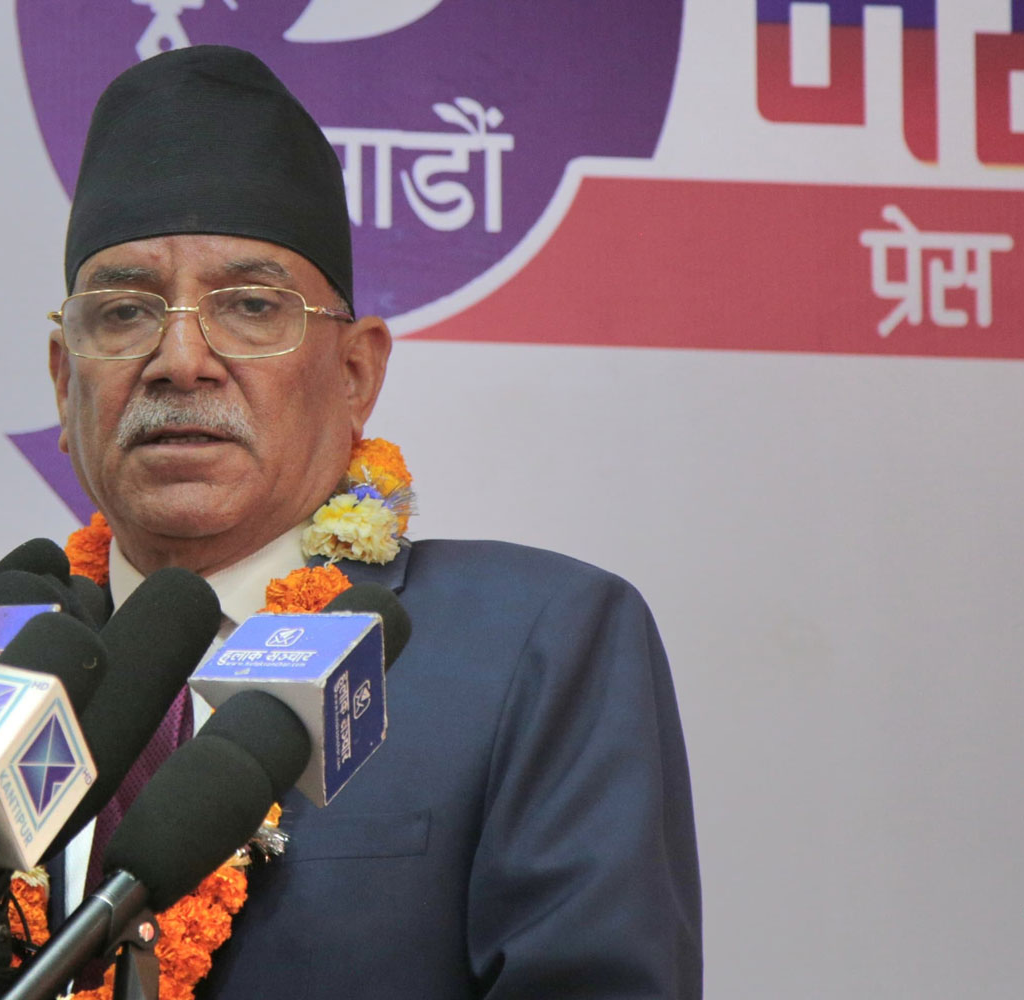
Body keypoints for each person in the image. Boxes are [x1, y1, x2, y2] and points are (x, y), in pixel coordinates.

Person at [43, 45, 701, 999]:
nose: (180, 359)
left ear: (356, 374)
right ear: (63, 381)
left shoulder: (533, 645)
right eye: (122, 313)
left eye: (251, 306)